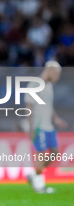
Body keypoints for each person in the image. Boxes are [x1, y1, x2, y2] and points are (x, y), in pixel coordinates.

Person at [25, 60, 68, 193]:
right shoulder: (35, 84)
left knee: (55, 152)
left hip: (48, 125)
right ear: (49, 71)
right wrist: (30, 126)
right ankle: (39, 185)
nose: (57, 77)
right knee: (41, 154)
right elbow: (28, 106)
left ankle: (34, 175)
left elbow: (48, 105)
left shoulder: (48, 85)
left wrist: (56, 119)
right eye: (56, 74)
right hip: (39, 125)